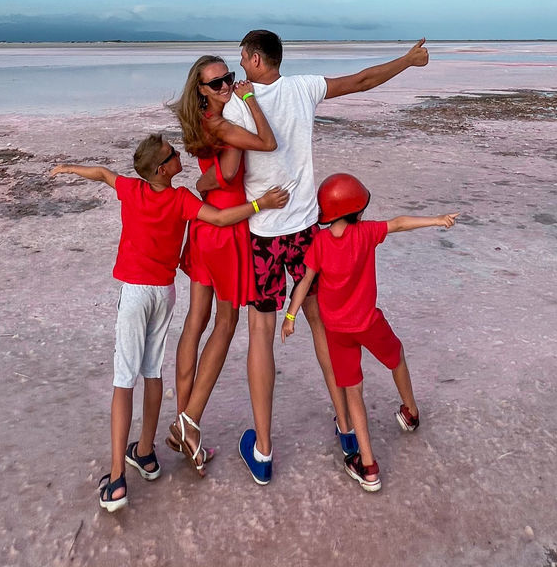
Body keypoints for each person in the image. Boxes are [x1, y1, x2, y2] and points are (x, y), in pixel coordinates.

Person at [220, 29, 430, 484]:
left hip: (265, 232)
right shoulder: (303, 88)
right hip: (304, 231)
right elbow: (361, 80)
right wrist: (407, 61)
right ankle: (347, 428)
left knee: (261, 331)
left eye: (242, 59)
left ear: (257, 60)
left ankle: (263, 450)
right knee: (321, 324)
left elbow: (230, 166)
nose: (239, 69)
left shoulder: (238, 104)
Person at [50, 134, 288, 512]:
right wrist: (260, 204)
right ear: (162, 170)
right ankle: (145, 452)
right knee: (151, 372)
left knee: (122, 381)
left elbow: (101, 174)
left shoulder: (133, 190)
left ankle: (115, 479)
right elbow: (222, 218)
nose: (179, 156)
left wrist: (67, 168)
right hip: (163, 294)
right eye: (173, 155)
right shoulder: (181, 201)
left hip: (136, 294)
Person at [281, 173, 459, 492]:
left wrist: (291, 315)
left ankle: (368, 466)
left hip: (336, 331)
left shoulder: (319, 243)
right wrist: (437, 220)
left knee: (353, 394)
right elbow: (400, 223)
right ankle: (411, 412)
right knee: (396, 357)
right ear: (355, 210)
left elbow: (304, 282)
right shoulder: (365, 233)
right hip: (368, 323)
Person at [167, 55, 278, 473]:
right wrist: (250, 102)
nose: (226, 86)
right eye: (216, 84)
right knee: (226, 324)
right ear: (200, 89)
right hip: (229, 231)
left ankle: (183, 417)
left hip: (205, 226)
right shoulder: (224, 123)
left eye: (228, 79)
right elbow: (256, 153)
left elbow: (211, 177)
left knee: (196, 321)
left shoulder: (200, 120)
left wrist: (202, 181)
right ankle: (189, 422)